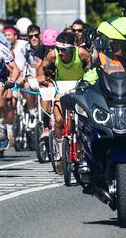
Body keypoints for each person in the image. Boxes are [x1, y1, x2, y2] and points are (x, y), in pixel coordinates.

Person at [37, 31, 91, 171]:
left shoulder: (82, 54)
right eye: (58, 48)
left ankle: (84, 151)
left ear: (72, 48)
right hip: (60, 89)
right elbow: (42, 69)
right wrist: (44, 79)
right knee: (59, 120)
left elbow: (92, 69)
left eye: (64, 49)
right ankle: (61, 155)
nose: (60, 52)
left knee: (83, 122)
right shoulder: (52, 55)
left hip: (78, 89)